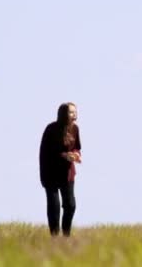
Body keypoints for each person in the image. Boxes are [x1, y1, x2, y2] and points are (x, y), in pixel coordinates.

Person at [39, 102, 82, 237]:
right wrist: (63, 155)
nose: (74, 114)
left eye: (75, 111)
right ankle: (55, 236)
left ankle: (66, 235)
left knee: (70, 205)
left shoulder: (75, 128)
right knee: (55, 206)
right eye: (71, 112)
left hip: (67, 172)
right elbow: (46, 151)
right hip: (50, 171)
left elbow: (77, 147)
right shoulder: (51, 129)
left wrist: (76, 155)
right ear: (63, 114)